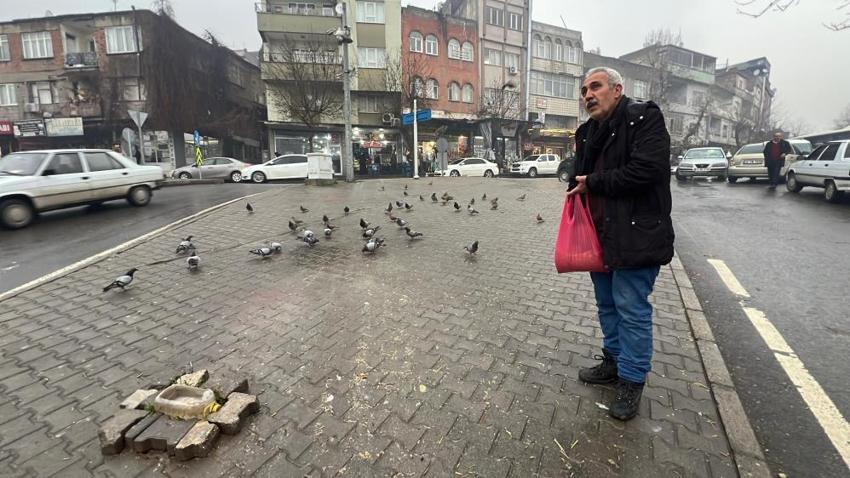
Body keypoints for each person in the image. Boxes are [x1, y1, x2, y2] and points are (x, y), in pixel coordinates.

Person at [567, 67, 674, 421]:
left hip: (636, 234)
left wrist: (593, 182)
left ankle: (631, 380)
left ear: (617, 89)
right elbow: (580, 177)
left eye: (595, 87)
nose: (587, 95)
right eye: (584, 91)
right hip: (600, 235)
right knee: (608, 305)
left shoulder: (643, 118)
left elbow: (648, 170)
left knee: (631, 309)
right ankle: (612, 362)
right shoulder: (587, 132)